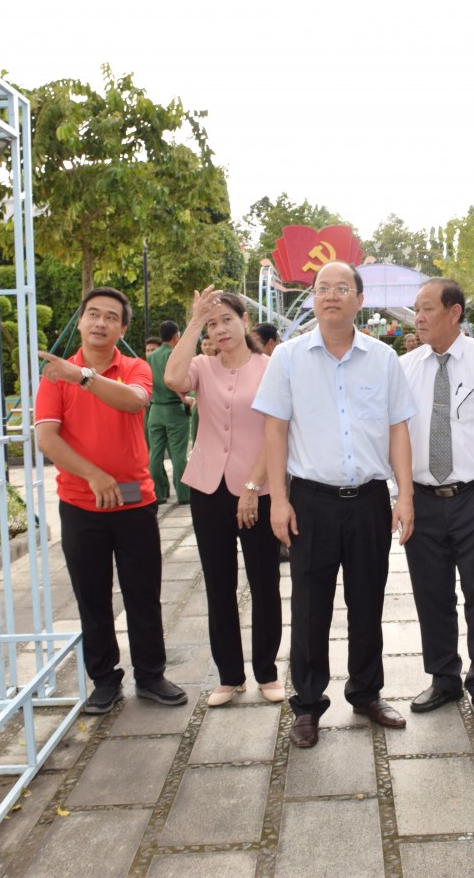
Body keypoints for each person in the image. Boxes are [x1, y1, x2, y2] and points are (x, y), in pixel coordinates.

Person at [253, 261, 417, 748]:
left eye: (342, 287)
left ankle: (366, 693)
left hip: (368, 500)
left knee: (367, 602)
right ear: (313, 299)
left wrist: (404, 494)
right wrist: (277, 500)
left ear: (358, 299)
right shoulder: (288, 358)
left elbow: (398, 430)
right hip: (310, 501)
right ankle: (307, 706)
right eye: (322, 288)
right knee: (310, 608)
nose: (331, 296)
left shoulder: (383, 358)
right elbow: (275, 430)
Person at [35, 287, 187, 715]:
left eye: (110, 317)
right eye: (93, 315)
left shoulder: (134, 367)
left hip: (135, 501)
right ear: (81, 321)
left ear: (122, 328)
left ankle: (151, 674)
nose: (100, 323)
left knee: (143, 593)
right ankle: (103, 680)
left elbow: (134, 401)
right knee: (92, 596)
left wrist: (82, 377)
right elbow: (46, 437)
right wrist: (92, 474)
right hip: (80, 503)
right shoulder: (54, 376)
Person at [164, 289, 285, 708]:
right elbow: (172, 380)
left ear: (244, 320)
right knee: (219, 583)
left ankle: (267, 671)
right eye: (212, 325)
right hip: (207, 488)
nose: (220, 330)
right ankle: (229, 675)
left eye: (226, 321)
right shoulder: (201, 365)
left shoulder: (272, 367)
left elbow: (278, 432)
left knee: (264, 580)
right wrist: (195, 320)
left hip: (259, 490)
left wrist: (253, 487)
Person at [401, 278, 474, 722]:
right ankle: (443, 677)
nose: (418, 318)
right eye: (416, 310)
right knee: (431, 593)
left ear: (455, 313)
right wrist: (400, 495)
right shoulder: (406, 367)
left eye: (427, 309)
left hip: (473, 497)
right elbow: (397, 437)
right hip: (422, 499)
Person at [147, 320, 191, 504]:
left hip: (155, 410)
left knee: (154, 455)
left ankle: (158, 493)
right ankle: (184, 495)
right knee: (178, 455)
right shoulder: (173, 355)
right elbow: (175, 381)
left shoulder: (150, 357)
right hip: (173, 409)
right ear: (175, 336)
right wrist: (185, 398)